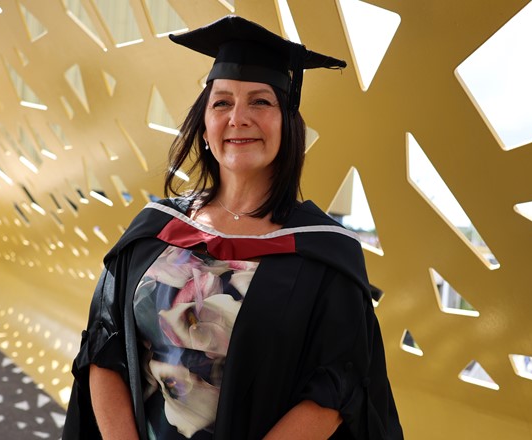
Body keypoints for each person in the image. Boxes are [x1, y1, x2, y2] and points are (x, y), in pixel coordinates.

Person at [63, 15, 402, 440]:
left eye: (260, 102)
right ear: (205, 127)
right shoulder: (156, 231)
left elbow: (335, 391)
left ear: (286, 124)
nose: (238, 117)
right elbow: (103, 346)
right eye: (222, 102)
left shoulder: (325, 252)